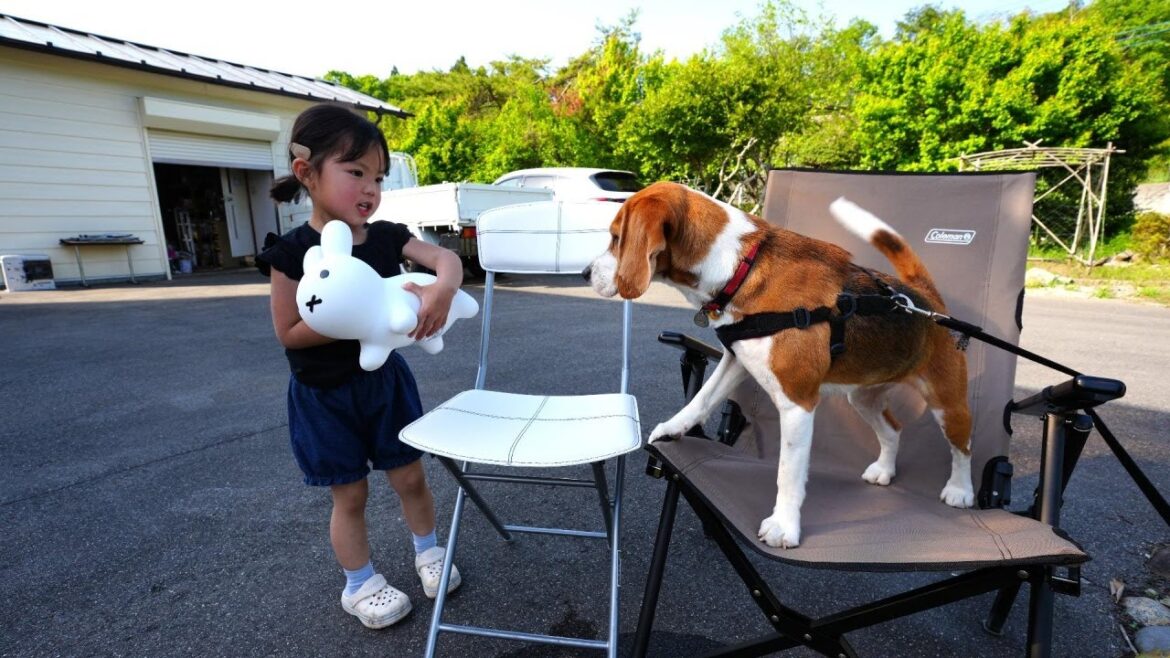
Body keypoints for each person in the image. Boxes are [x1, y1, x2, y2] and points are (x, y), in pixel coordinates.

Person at [257, 103, 463, 630]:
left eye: (377, 177)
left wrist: (443, 289)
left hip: (386, 384)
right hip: (323, 395)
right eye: (355, 173)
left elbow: (447, 260)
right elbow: (289, 333)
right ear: (307, 173)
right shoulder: (291, 252)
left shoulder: (389, 237)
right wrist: (357, 316)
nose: (370, 189)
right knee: (350, 493)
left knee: (411, 477)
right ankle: (359, 583)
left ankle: (428, 552)